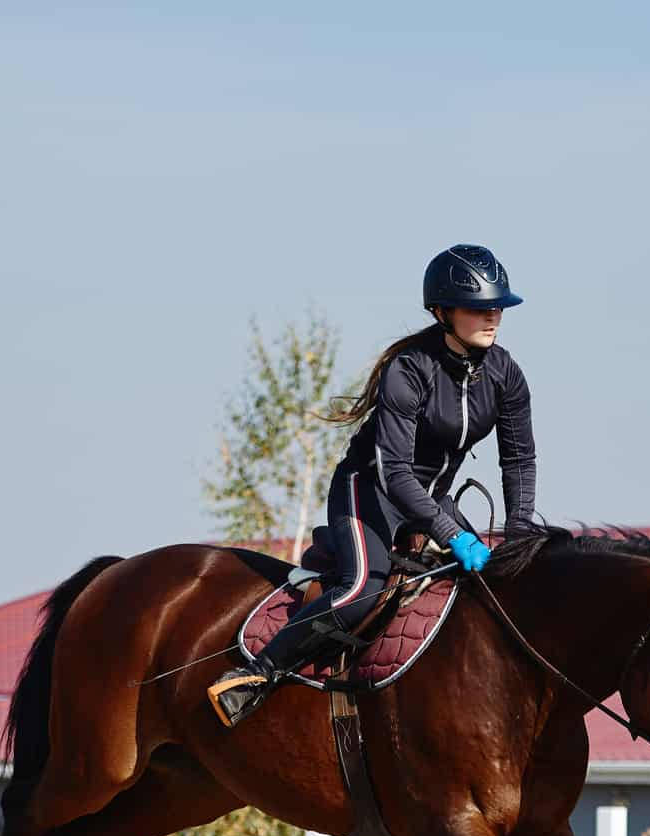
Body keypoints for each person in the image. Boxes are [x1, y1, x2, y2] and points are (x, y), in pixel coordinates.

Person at [208, 243, 537, 728]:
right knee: (362, 590)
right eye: (479, 308)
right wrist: (452, 534)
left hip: (431, 497)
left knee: (495, 588)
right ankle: (258, 675)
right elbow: (396, 474)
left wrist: (521, 535)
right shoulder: (408, 370)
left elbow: (519, 459)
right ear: (443, 311)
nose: (493, 317)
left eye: (498, 308)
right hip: (372, 491)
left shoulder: (505, 373)